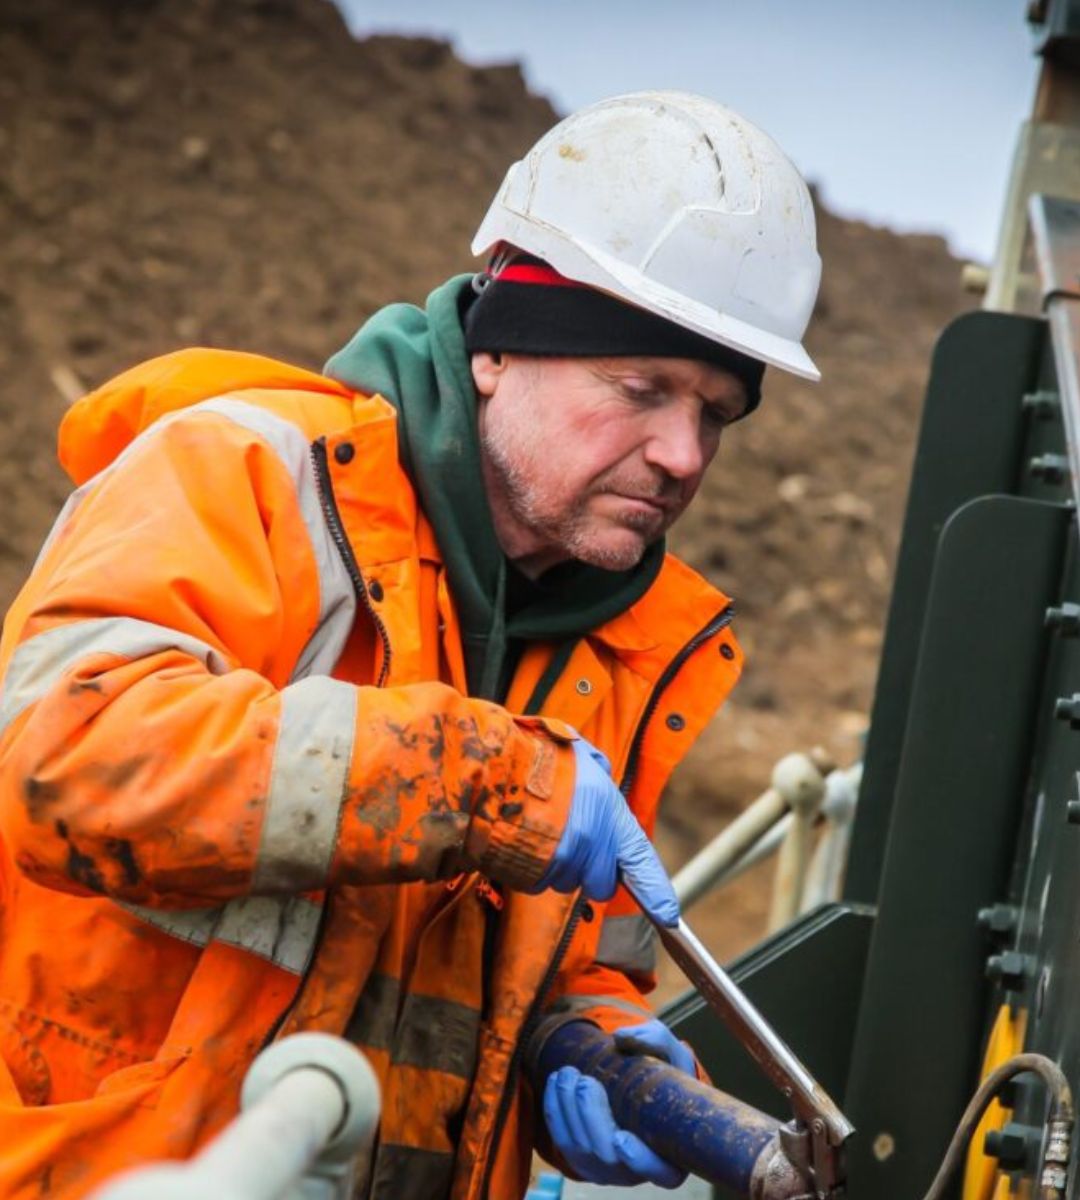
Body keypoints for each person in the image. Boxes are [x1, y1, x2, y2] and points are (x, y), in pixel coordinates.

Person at [0, 91, 820, 1199]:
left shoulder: (622, 650)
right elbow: (65, 761)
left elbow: (557, 963)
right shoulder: (244, 477)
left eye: (717, 413)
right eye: (643, 390)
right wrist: (488, 781)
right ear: (500, 352)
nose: (682, 454)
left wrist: (590, 1048)